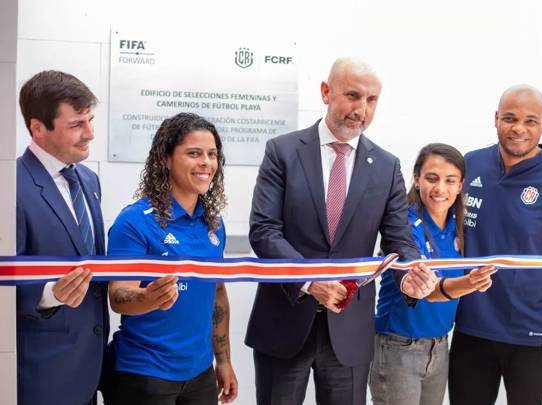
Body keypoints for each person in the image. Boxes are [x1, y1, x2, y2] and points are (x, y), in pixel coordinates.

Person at [246, 57, 438, 405]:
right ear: (325, 92)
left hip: (350, 331)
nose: (361, 109)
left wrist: (408, 272)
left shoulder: (385, 165)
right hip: (284, 321)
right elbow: (264, 230)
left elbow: (398, 239)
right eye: (352, 95)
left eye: (371, 100)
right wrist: (309, 280)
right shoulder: (283, 152)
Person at [449, 85, 542, 405]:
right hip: (471, 326)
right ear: (495, 119)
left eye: (530, 121)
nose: (519, 128)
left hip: (533, 332)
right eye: (510, 118)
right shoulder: (470, 164)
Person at [101, 113, 238, 404]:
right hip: (143, 374)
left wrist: (223, 360)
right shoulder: (134, 221)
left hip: (200, 374)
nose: (206, 163)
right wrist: (150, 297)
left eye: (212, 154)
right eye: (193, 153)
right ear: (165, 159)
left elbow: (217, 294)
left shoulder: (214, 224)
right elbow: (118, 296)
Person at [370, 143, 497, 405]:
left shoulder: (458, 226)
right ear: (416, 180)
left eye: (450, 180)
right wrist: (471, 282)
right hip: (399, 347)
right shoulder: (402, 227)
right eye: (431, 178)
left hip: (439, 346)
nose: (440, 189)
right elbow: (430, 291)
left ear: (461, 185)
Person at [16, 70, 108, 405]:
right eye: (76, 125)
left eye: (90, 121)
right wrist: (48, 295)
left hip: (90, 370)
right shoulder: (10, 187)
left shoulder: (89, 180)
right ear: (38, 129)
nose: (90, 134)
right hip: (43, 374)